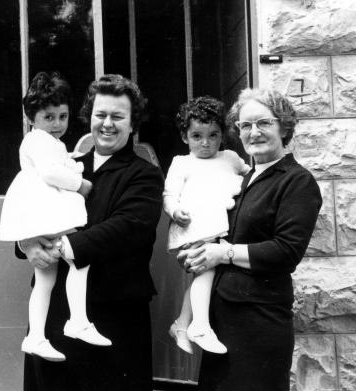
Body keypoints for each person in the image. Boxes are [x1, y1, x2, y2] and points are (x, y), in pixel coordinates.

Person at [17, 74, 164, 391]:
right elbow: (29, 204)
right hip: (56, 314)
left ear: (132, 121)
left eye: (117, 116)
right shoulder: (66, 165)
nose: (107, 124)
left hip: (114, 316)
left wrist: (61, 246)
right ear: (89, 117)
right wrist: (25, 242)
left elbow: (128, 228)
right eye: (100, 115)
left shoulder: (145, 175)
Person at [178, 88, 322, 391]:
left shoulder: (296, 180)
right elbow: (217, 237)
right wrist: (199, 253)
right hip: (222, 320)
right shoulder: (241, 180)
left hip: (259, 321)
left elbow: (286, 251)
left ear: (284, 127)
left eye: (263, 123)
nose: (253, 132)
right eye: (245, 126)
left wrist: (223, 254)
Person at [0, 72, 111, 362]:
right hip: (46, 215)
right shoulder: (40, 141)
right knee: (78, 259)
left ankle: (36, 336)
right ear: (31, 117)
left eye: (63, 116)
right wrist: (80, 184)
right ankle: (77, 320)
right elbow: (51, 173)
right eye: (49, 117)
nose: (57, 124)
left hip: (43, 217)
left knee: (46, 279)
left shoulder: (47, 141)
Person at [164, 96, 249, 355]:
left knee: (205, 273)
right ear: (185, 137)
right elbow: (169, 195)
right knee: (207, 271)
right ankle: (199, 325)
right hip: (194, 225)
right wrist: (175, 210)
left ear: (222, 135)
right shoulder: (182, 163)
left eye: (213, 135)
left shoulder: (230, 158)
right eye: (197, 136)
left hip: (217, 225)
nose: (205, 142)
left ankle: (181, 323)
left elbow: (251, 176)